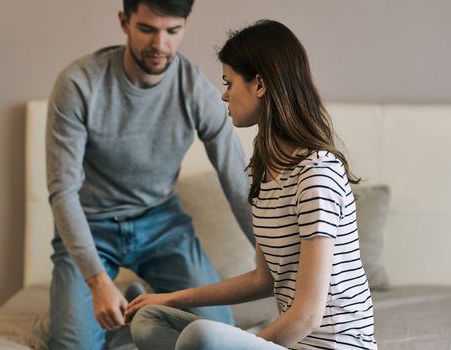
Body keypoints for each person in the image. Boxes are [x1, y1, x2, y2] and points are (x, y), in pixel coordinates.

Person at [126, 19, 378, 350]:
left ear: (259, 85)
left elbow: (307, 316)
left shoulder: (317, 174)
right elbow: (263, 279)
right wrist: (171, 298)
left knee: (202, 337)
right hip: (292, 345)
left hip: (334, 347)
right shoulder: (262, 172)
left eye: (229, 82)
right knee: (151, 319)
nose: (224, 95)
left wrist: (247, 344)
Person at [45, 0, 255, 349]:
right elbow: (63, 192)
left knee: (220, 338)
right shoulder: (78, 83)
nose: (160, 44)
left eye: (172, 31)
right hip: (92, 224)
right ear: (124, 22)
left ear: (185, 26)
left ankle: (141, 308)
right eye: (147, 29)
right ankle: (133, 306)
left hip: (162, 225)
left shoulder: (195, 89)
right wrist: (97, 282)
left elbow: (236, 179)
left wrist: (279, 260)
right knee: (71, 346)